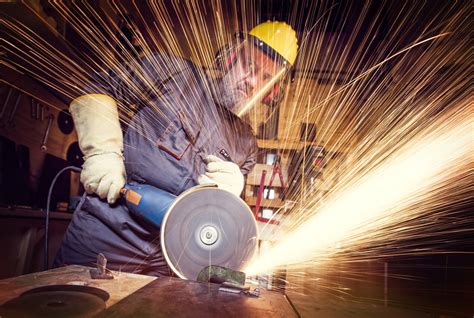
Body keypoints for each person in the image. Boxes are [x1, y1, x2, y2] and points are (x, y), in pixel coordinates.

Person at [54, 21, 298, 276]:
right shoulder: (174, 73)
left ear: (272, 90)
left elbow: (219, 217)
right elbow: (101, 85)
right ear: (231, 58)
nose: (252, 81)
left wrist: (228, 198)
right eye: (250, 66)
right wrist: (102, 151)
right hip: (106, 230)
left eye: (266, 77)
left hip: (174, 256)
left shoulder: (247, 144)